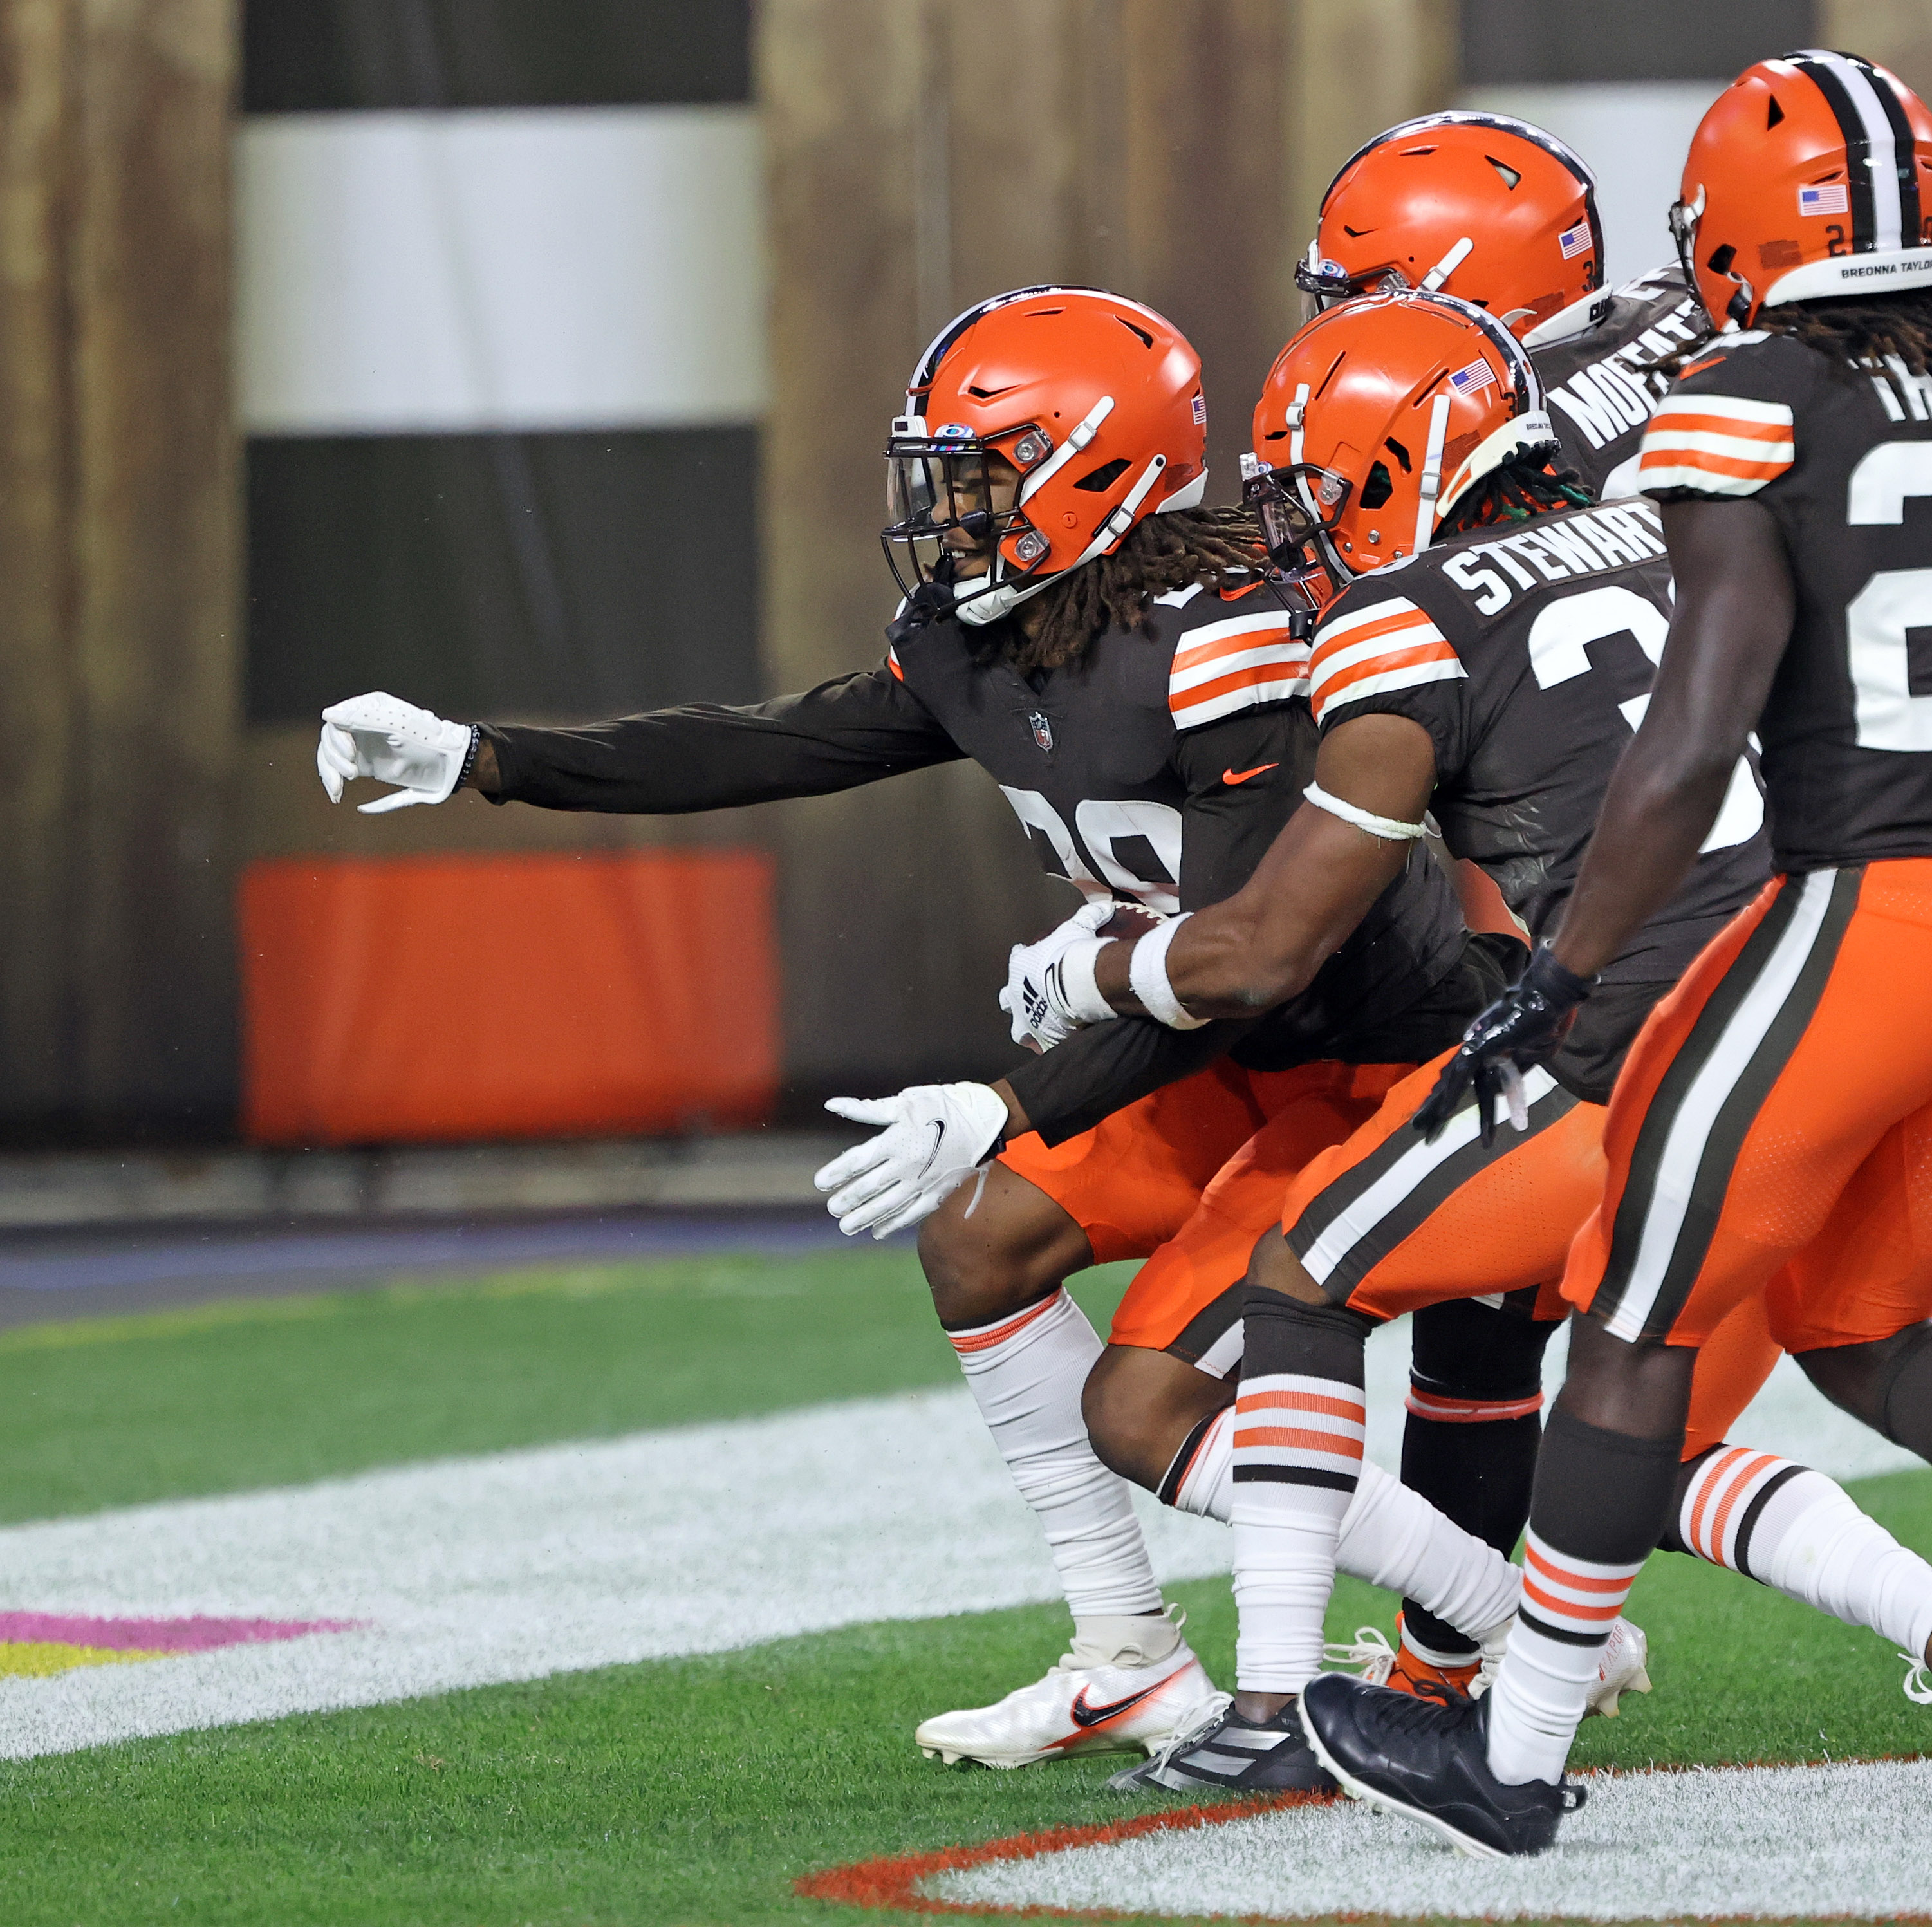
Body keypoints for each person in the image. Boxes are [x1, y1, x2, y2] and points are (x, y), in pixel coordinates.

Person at [312, 286, 1557, 1776]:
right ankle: (1127, 1655)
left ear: (1092, 471)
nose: (945, 518)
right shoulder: (981, 638)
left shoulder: (1230, 641)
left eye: (975, 481)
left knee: (1143, 1396)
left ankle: (1525, 1619)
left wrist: (1010, 1100)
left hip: (1372, 1066)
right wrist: (488, 757)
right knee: (979, 1236)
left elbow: (1252, 972)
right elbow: (779, 739)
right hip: (1217, 1052)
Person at [1296, 51, 1932, 1859]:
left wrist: (1566, 971)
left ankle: (1506, 1758)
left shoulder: (1743, 395)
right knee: (1860, 1316)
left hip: (1858, 926)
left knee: (1627, 1326)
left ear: (1746, 233)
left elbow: (1684, 742)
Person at [1297, 110, 1707, 496]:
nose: (1338, 322)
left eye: (1358, 298)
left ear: (1452, 289)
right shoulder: (1698, 299)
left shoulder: (1487, 443)